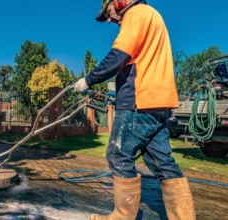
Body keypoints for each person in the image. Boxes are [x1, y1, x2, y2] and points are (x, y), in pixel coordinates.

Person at [73, 1, 196, 220]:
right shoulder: (152, 15)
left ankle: (122, 216)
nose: (109, 19)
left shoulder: (135, 14)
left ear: (118, 1)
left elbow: (119, 56)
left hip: (139, 102)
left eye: (107, 12)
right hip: (159, 104)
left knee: (118, 154)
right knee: (163, 163)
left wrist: (88, 80)